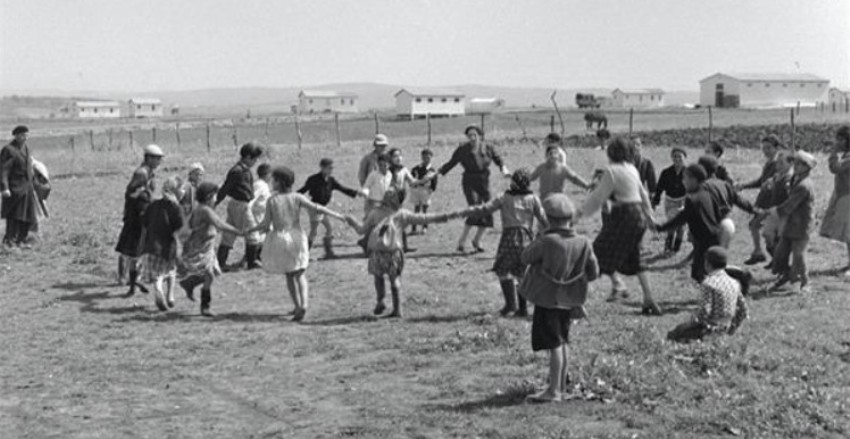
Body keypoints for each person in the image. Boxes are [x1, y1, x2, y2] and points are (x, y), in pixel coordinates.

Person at [519, 193, 599, 403]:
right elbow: (594, 272)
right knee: (563, 341)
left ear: (549, 218)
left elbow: (525, 257)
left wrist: (539, 237)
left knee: (554, 343)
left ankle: (553, 391)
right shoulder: (583, 241)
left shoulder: (547, 240)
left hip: (548, 299)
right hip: (570, 300)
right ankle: (561, 387)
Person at [344, 189, 467, 318]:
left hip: (378, 253)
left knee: (378, 277)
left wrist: (352, 221)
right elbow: (424, 218)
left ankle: (381, 300)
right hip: (394, 253)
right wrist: (444, 217)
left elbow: (361, 230)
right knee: (395, 279)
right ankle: (397, 310)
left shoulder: (374, 213)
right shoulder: (402, 214)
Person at [246, 167, 346, 322]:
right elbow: (317, 207)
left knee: (289, 274)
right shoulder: (297, 197)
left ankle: (297, 306)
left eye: (274, 180)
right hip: (297, 237)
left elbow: (265, 224)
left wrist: (249, 230)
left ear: (280, 182)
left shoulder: (272, 200)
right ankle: (304, 304)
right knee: (300, 273)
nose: (272, 182)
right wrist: (338, 215)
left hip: (280, 238)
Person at [575, 138, 661, 315]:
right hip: (638, 218)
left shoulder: (611, 171)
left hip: (623, 216)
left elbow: (598, 197)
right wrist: (650, 216)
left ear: (611, 153)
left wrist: (578, 215)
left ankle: (576, 304)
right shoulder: (632, 169)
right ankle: (649, 300)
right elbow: (643, 194)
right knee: (636, 259)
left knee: (593, 256)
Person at [463, 169, 549, 317]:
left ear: (513, 183)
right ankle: (522, 309)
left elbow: (486, 209)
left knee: (503, 270)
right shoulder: (533, 198)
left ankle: (510, 305)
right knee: (522, 272)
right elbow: (544, 220)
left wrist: (470, 211)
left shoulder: (504, 197)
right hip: (527, 238)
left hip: (509, 237)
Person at [438, 125, 510, 253]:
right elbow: (452, 162)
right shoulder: (462, 149)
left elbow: (498, 159)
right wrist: (438, 172)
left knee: (487, 209)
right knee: (474, 208)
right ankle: (462, 241)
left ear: (479, 135)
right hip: (469, 181)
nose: (472, 137)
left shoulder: (488, 147)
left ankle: (477, 240)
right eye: (469, 135)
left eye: (474, 135)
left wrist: (503, 169)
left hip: (484, 180)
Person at [178, 182, 242, 317]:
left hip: (207, 249)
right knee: (209, 276)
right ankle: (204, 306)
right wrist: (239, 231)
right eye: (214, 196)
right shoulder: (204, 210)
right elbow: (219, 223)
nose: (216, 199)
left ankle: (189, 285)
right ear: (208, 197)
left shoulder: (202, 208)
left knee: (210, 274)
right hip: (199, 249)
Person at [655, 164, 727, 282]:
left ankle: (733, 282)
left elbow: (681, 219)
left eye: (685, 178)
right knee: (700, 272)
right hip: (708, 238)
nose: (683, 181)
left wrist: (661, 227)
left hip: (706, 240)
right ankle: (714, 291)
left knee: (706, 272)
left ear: (693, 180)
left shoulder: (693, 198)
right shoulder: (706, 192)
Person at [667, 246, 749, 343]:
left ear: (707, 263)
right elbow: (743, 310)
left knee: (674, 334)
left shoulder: (708, 283)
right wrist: (733, 328)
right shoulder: (734, 283)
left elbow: (705, 312)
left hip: (709, 329)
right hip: (725, 327)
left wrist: (689, 324)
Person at [115, 144, 163, 297]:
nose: (158, 162)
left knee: (138, 250)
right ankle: (130, 283)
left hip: (142, 213)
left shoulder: (149, 172)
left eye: (159, 159)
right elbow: (130, 193)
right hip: (136, 216)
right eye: (156, 159)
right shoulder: (142, 173)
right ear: (148, 158)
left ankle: (135, 280)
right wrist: (142, 196)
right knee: (133, 250)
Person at [770, 151, 817, 293]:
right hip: (791, 224)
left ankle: (805, 282)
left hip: (802, 225)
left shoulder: (804, 185)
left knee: (798, 255)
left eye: (800, 164)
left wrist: (774, 211)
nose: (795, 166)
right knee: (780, 253)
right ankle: (786, 276)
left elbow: (789, 205)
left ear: (807, 167)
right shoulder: (795, 179)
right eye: (795, 163)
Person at [297, 158, 362, 259]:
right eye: (329, 168)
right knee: (314, 231)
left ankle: (328, 252)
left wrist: (356, 192)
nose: (331, 170)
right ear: (322, 168)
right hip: (314, 207)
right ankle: (305, 254)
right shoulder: (313, 179)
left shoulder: (331, 180)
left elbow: (342, 188)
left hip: (323, 208)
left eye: (332, 168)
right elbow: (303, 190)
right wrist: (291, 196)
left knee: (329, 228)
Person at [735, 134, 784, 265]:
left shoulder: (778, 165)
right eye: (764, 148)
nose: (765, 151)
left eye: (769, 148)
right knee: (761, 229)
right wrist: (744, 185)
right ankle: (767, 256)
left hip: (771, 204)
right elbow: (761, 181)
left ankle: (769, 257)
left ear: (776, 148)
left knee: (759, 228)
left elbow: (775, 184)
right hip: (764, 202)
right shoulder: (769, 164)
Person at [139, 177, 185, 311]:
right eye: (181, 189)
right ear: (175, 191)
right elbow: (179, 228)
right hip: (167, 247)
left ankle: (170, 296)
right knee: (167, 272)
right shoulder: (176, 207)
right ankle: (161, 291)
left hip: (151, 245)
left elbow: (145, 223)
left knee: (165, 271)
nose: (183, 191)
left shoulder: (153, 204)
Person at [215, 142, 264, 270]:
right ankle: (252, 263)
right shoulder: (237, 171)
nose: (255, 162)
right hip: (240, 205)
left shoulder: (243, 170)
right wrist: (214, 203)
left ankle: (220, 263)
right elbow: (225, 188)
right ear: (247, 157)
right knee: (253, 234)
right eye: (254, 159)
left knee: (229, 234)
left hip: (237, 204)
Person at [698, 155, 759, 248]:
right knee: (719, 256)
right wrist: (757, 211)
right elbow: (741, 202)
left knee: (704, 257)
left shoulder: (702, 186)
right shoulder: (725, 185)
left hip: (709, 227)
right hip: (727, 225)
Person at [819, 126, 850, 277]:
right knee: (847, 234)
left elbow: (835, 168)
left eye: (840, 139)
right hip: (843, 195)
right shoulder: (846, 154)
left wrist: (833, 152)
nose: (837, 141)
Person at [1, 126, 37, 248]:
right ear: (16, 136)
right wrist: (4, 188)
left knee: (27, 215)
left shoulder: (27, 149)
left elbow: (29, 167)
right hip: (14, 189)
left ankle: (22, 239)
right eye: (23, 135)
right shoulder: (9, 150)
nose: (25, 137)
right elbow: (3, 170)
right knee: (14, 216)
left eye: (27, 135)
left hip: (27, 188)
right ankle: (10, 241)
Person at [760, 149, 794, 269]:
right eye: (777, 163)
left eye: (781, 163)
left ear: (791, 164)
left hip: (783, 213)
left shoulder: (791, 179)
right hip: (772, 211)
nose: (778, 166)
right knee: (767, 235)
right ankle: (776, 259)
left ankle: (782, 264)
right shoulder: (776, 177)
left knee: (781, 240)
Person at [652, 147, 688, 253]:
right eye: (675, 156)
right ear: (672, 158)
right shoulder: (666, 172)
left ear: (685, 158)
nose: (677, 159)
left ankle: (676, 247)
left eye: (680, 157)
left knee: (681, 226)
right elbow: (659, 188)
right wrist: (655, 201)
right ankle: (668, 246)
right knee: (672, 223)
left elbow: (694, 189)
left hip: (683, 201)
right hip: (670, 201)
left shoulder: (689, 173)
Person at [409, 148, 439, 235]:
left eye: (428, 158)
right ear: (421, 158)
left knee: (425, 209)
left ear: (431, 158)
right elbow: (411, 178)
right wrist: (413, 184)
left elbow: (434, 181)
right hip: (416, 190)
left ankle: (424, 227)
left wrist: (432, 189)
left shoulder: (432, 170)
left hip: (426, 190)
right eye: (424, 157)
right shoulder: (416, 168)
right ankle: (414, 228)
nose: (426, 159)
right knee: (416, 209)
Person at [249, 163, 272, 265]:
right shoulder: (259, 185)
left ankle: (258, 257)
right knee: (258, 237)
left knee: (265, 235)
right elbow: (252, 198)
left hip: (263, 213)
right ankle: (252, 259)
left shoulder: (263, 184)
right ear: (267, 174)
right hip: (257, 214)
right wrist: (248, 210)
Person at [361, 153, 393, 218]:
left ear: (389, 165)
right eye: (380, 165)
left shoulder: (390, 175)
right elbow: (366, 186)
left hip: (385, 203)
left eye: (385, 165)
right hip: (373, 203)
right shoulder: (373, 175)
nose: (382, 167)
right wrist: (365, 192)